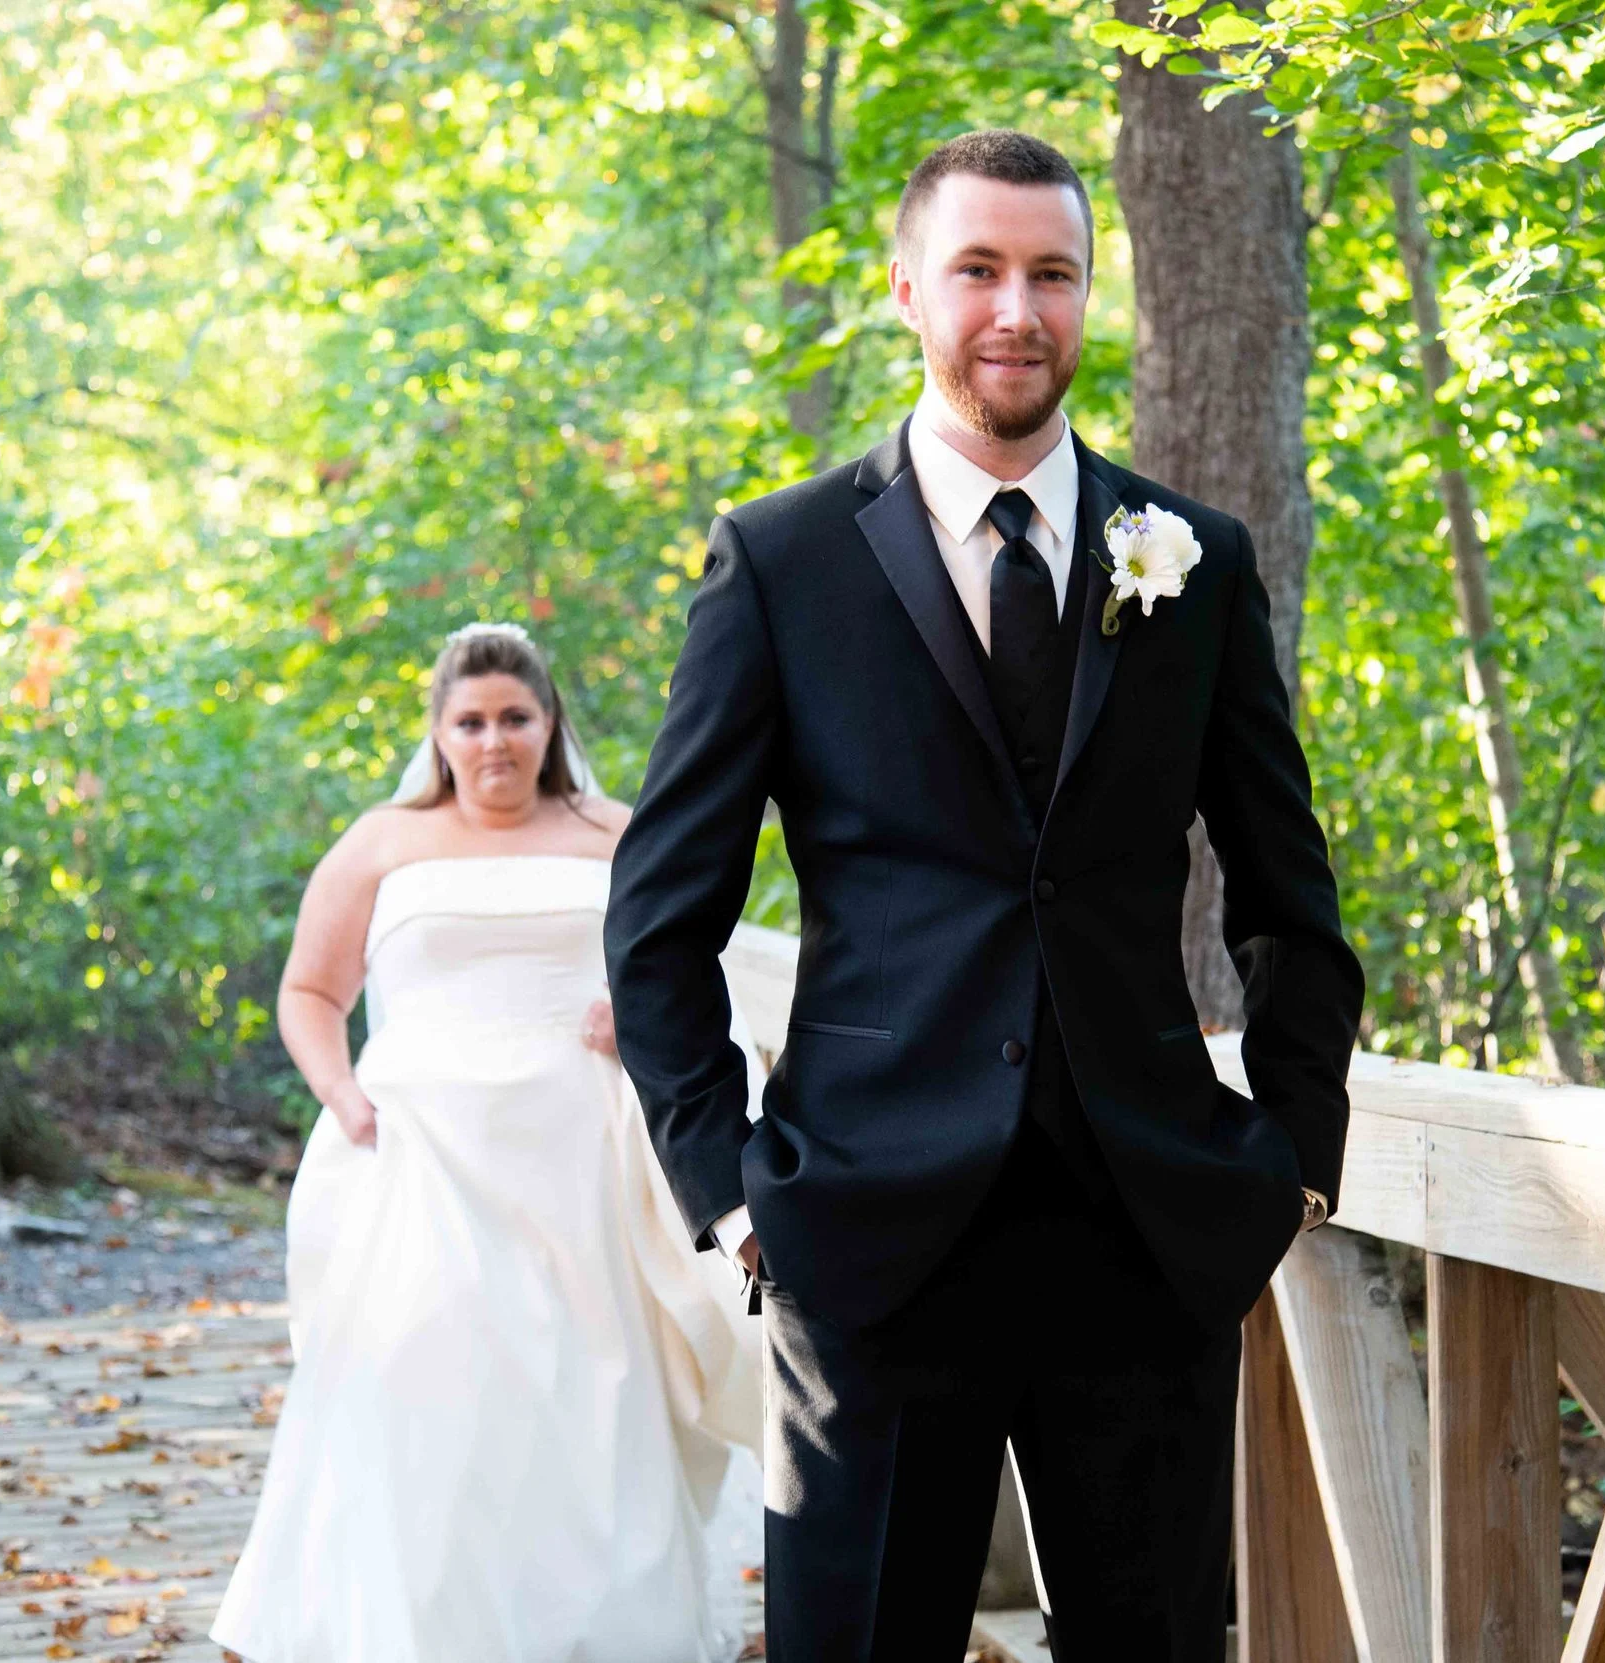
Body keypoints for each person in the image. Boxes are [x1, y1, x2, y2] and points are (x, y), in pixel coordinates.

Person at [605, 131, 1364, 1661]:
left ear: (1092, 295)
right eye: (979, 270)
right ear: (908, 290)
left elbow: (1288, 895)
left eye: (1053, 274)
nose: (1017, 309)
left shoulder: (1192, 560)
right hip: (867, 1239)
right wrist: (737, 1192)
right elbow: (659, 916)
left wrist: (1293, 1160)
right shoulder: (782, 559)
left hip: (1142, 1233)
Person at [213, 623, 762, 1663]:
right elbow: (311, 991)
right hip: (424, 1155)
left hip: (580, 1157)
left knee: (587, 1391)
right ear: (439, 733)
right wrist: (342, 1093)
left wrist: (635, 1009)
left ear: (549, 724)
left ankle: (594, 1633)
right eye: (470, 721)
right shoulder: (383, 839)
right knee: (430, 1384)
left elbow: (690, 956)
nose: (494, 739)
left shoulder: (614, 830)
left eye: (515, 716)